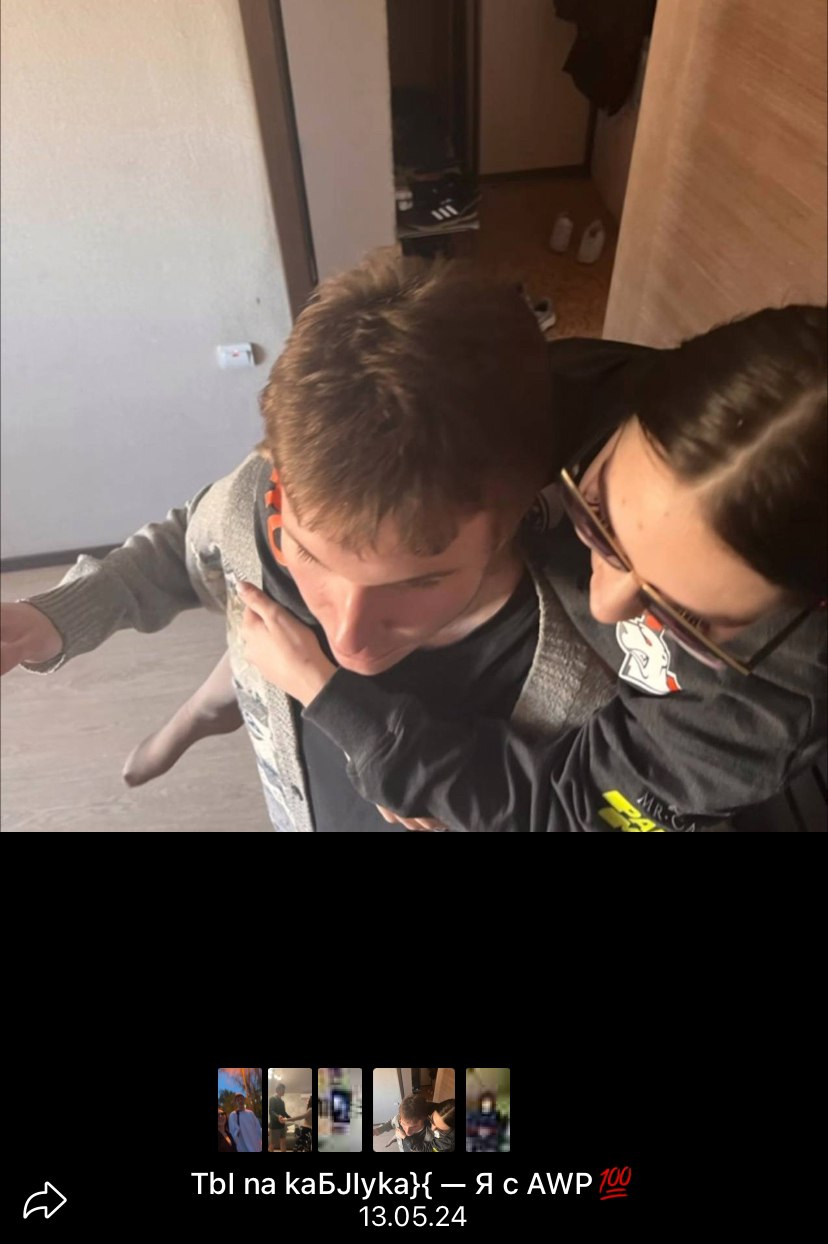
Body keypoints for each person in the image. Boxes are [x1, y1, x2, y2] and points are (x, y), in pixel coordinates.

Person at [2, 256, 604, 833]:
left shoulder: (587, 675)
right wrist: (55, 618)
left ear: (513, 520)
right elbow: (188, 543)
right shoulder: (254, 502)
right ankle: (201, 714)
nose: (346, 640)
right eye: (309, 556)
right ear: (276, 486)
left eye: (419, 582)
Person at [234, 303, 827, 831]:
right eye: (597, 517)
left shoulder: (774, 702)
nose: (604, 605)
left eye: (687, 619)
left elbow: (572, 812)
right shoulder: (567, 390)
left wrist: (355, 718)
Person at [269, 1082, 288, 1153]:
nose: (284, 1091)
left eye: (284, 1089)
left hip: (282, 1126)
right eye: (282, 1089)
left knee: (283, 1143)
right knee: (272, 1144)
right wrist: (278, 1116)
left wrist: (292, 1118)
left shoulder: (282, 1102)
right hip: (274, 1126)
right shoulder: (272, 1099)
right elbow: (271, 1111)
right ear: (277, 1090)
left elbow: (284, 1113)